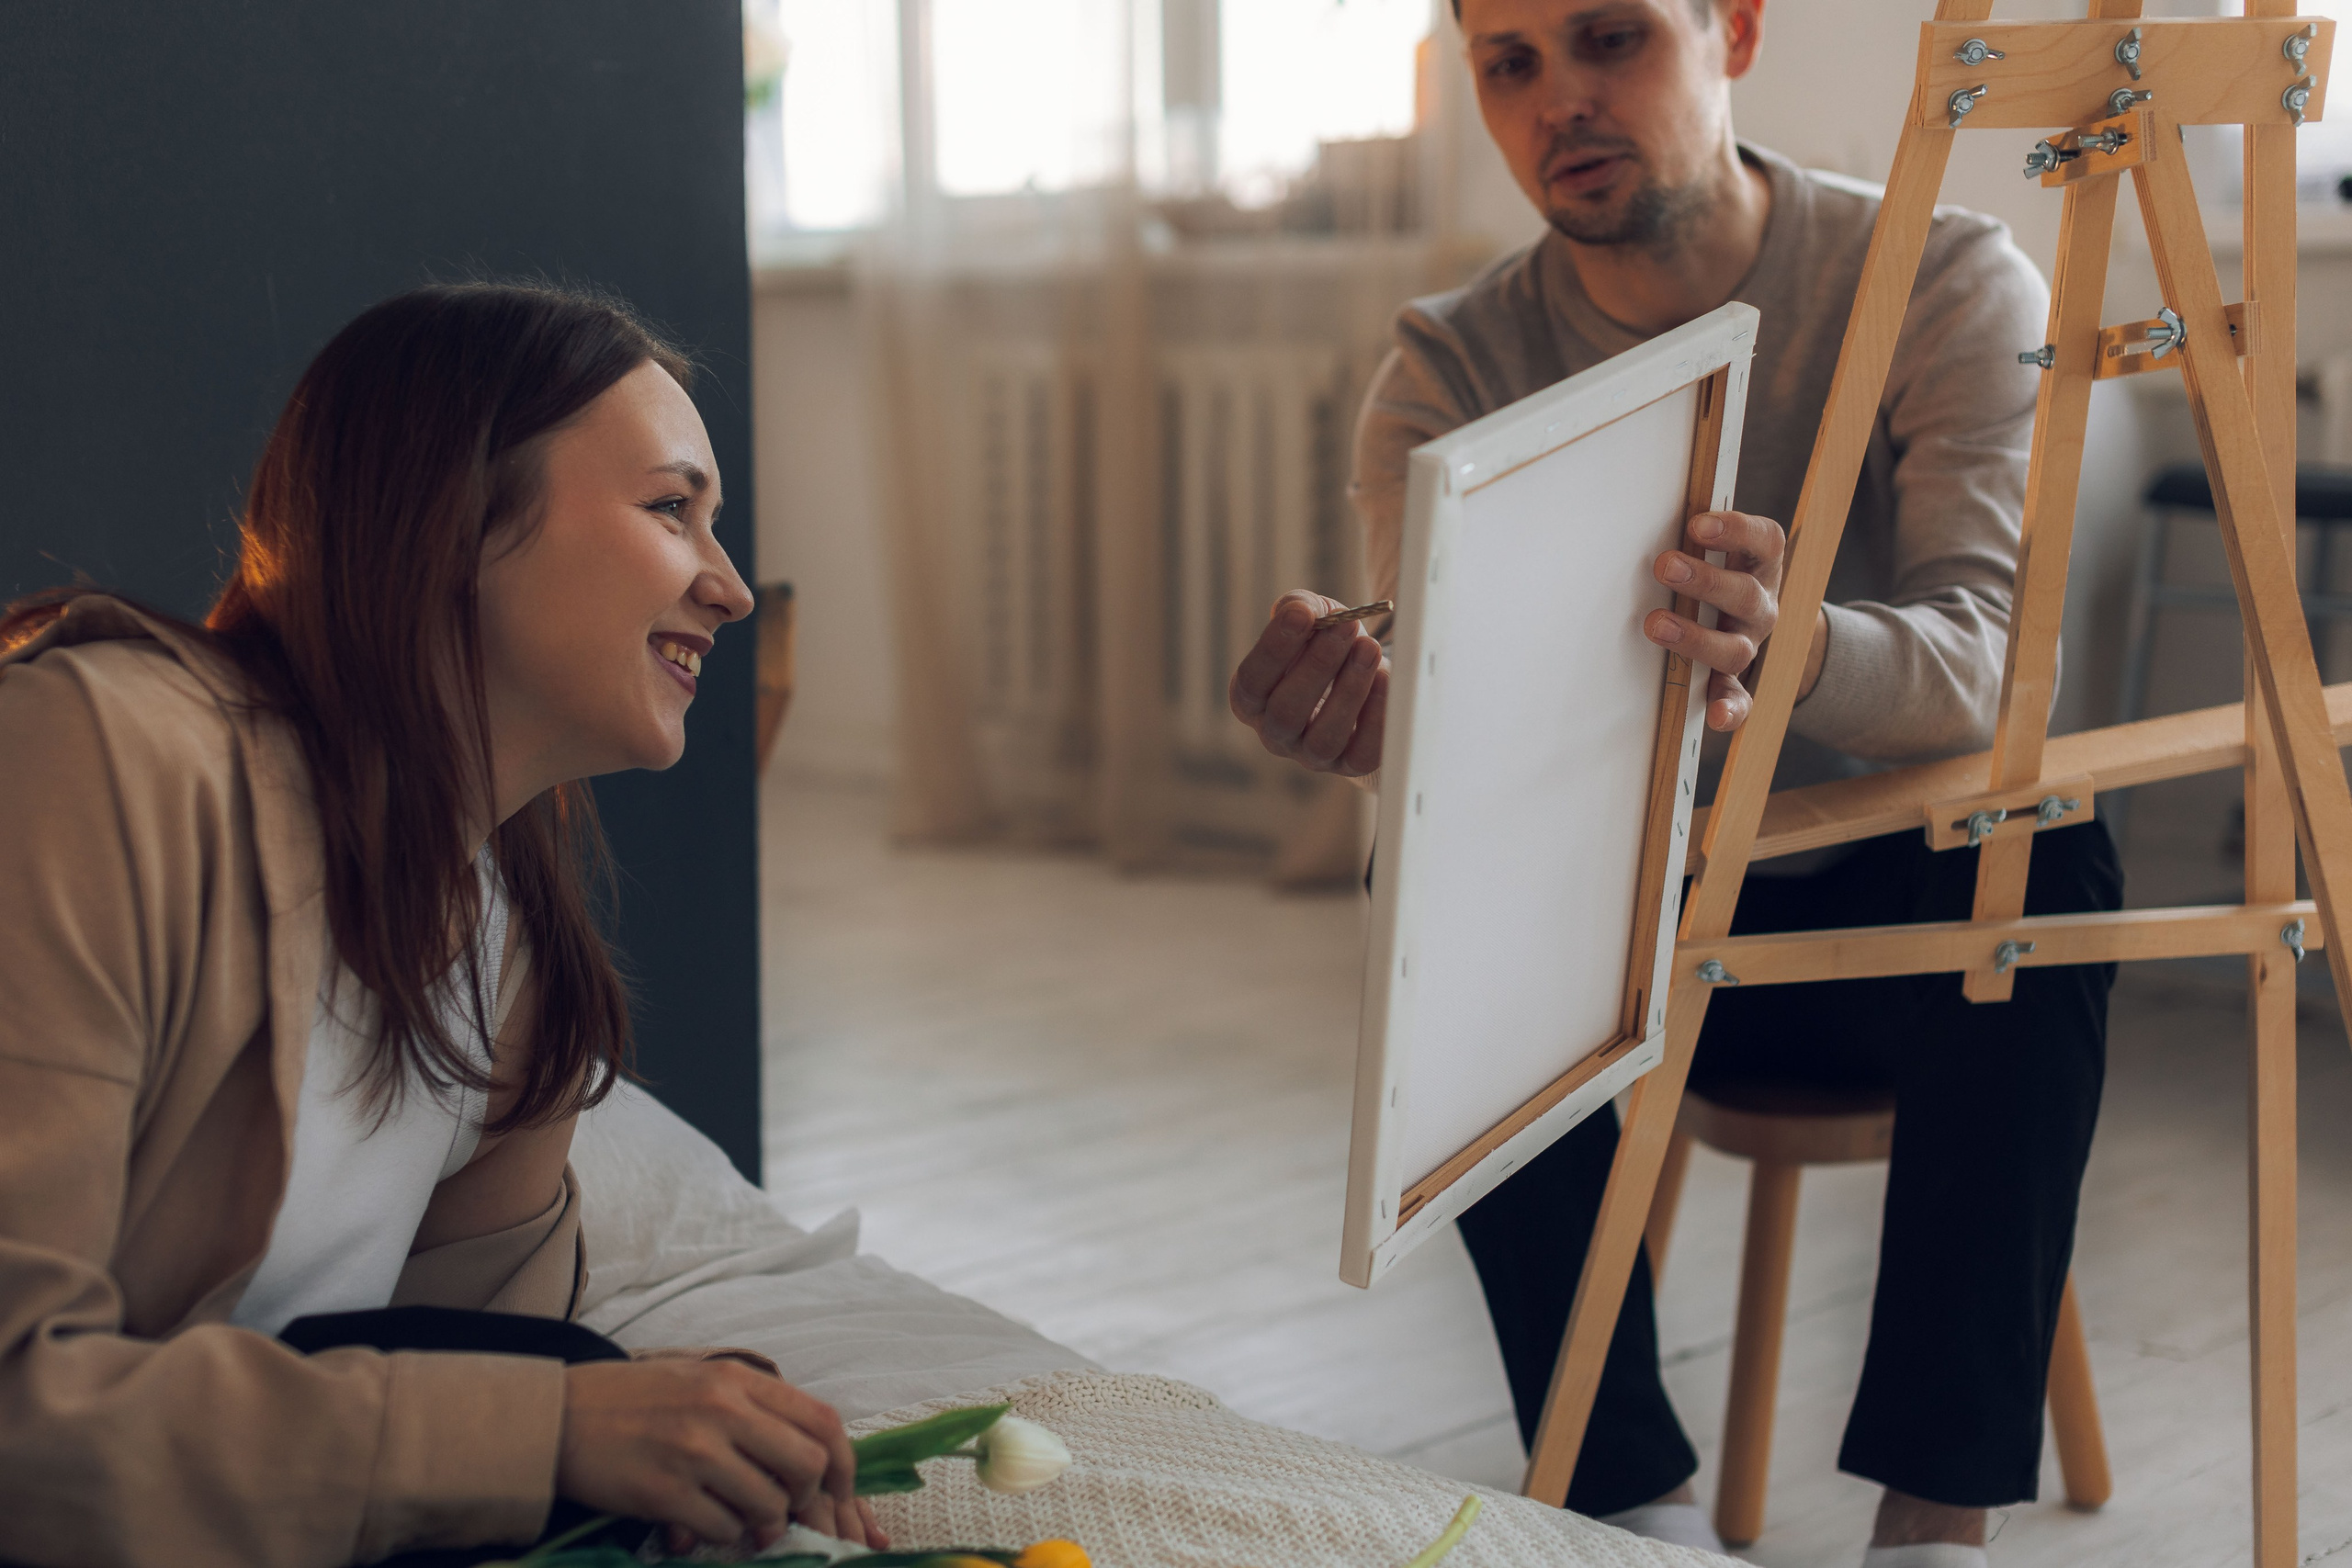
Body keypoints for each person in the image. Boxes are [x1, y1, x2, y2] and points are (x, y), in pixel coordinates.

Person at [1226, 2, 2120, 1564]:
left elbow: (1993, 664)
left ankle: (1936, 1520)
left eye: (1611, 36)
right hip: (1627, 949)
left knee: (2048, 841)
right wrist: (1380, 732)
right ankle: (1628, 1501)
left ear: (1738, 31)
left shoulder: (1941, 273)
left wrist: (1791, 647)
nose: (1560, 97)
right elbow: (1455, 727)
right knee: (1437, 870)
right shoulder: (1452, 361)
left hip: (1891, 927)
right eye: (1510, 64)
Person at [0, 283, 892, 1567]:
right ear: (460, 521)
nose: (733, 589)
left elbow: (463, 1387)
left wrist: (687, 1450)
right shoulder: (105, 753)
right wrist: (551, 1432)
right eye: (670, 508)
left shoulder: (511, 942)